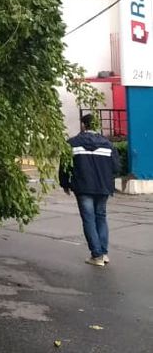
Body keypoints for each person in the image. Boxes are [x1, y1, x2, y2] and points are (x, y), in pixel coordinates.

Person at [59, 113, 121, 267]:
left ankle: (97, 255)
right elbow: (116, 167)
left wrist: (65, 184)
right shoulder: (108, 144)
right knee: (101, 217)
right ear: (97, 126)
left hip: (83, 186)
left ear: (83, 125)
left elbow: (65, 167)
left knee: (89, 219)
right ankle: (104, 253)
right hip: (103, 187)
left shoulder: (72, 143)